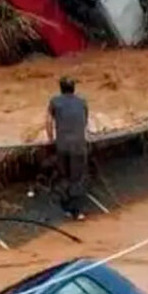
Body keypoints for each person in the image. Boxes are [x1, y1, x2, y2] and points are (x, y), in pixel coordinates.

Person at [47, 77, 90, 220]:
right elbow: (85, 121)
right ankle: (76, 212)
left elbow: (48, 122)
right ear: (74, 88)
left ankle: (65, 209)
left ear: (60, 88)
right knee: (76, 178)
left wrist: (51, 140)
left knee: (63, 177)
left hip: (62, 145)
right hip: (78, 145)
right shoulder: (82, 102)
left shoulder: (54, 101)